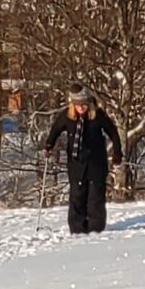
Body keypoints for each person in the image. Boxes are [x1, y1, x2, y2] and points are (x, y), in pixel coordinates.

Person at [44, 82, 123, 235]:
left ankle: (95, 230)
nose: (81, 108)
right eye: (78, 105)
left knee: (95, 199)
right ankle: (77, 230)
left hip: (96, 163)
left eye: (84, 104)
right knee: (77, 197)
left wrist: (117, 153)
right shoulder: (67, 116)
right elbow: (55, 131)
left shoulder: (98, 115)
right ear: (73, 104)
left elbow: (113, 132)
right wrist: (48, 146)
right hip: (76, 164)